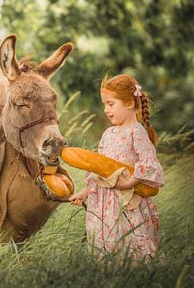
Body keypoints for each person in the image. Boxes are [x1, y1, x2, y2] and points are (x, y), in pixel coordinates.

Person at [69, 74, 164, 261]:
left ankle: (135, 270)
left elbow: (149, 163)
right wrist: (84, 192)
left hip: (126, 200)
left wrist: (130, 183)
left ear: (129, 103)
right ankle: (108, 269)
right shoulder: (108, 134)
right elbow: (99, 168)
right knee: (105, 240)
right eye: (104, 104)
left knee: (130, 239)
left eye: (111, 104)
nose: (105, 109)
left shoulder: (136, 133)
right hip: (103, 201)